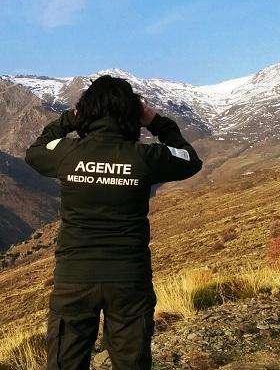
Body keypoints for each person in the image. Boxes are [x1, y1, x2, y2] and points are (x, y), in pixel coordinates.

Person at [25, 75, 203, 370]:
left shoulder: (68, 155)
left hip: (74, 279)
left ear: (86, 111)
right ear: (132, 114)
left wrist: (70, 119)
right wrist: (156, 121)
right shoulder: (145, 157)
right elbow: (190, 159)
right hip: (130, 280)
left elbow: (35, 151)